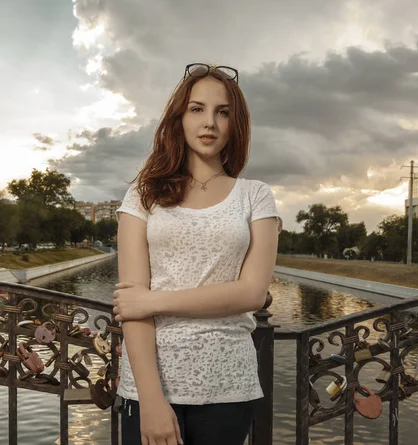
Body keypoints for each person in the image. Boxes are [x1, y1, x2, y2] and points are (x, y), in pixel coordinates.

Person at [113, 63, 282, 445]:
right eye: (197, 109)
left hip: (227, 386)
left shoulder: (255, 195)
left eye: (222, 112)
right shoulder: (143, 194)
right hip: (148, 388)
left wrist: (152, 301)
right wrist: (152, 401)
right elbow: (131, 304)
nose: (210, 122)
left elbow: (251, 294)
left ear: (235, 123)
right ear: (179, 118)